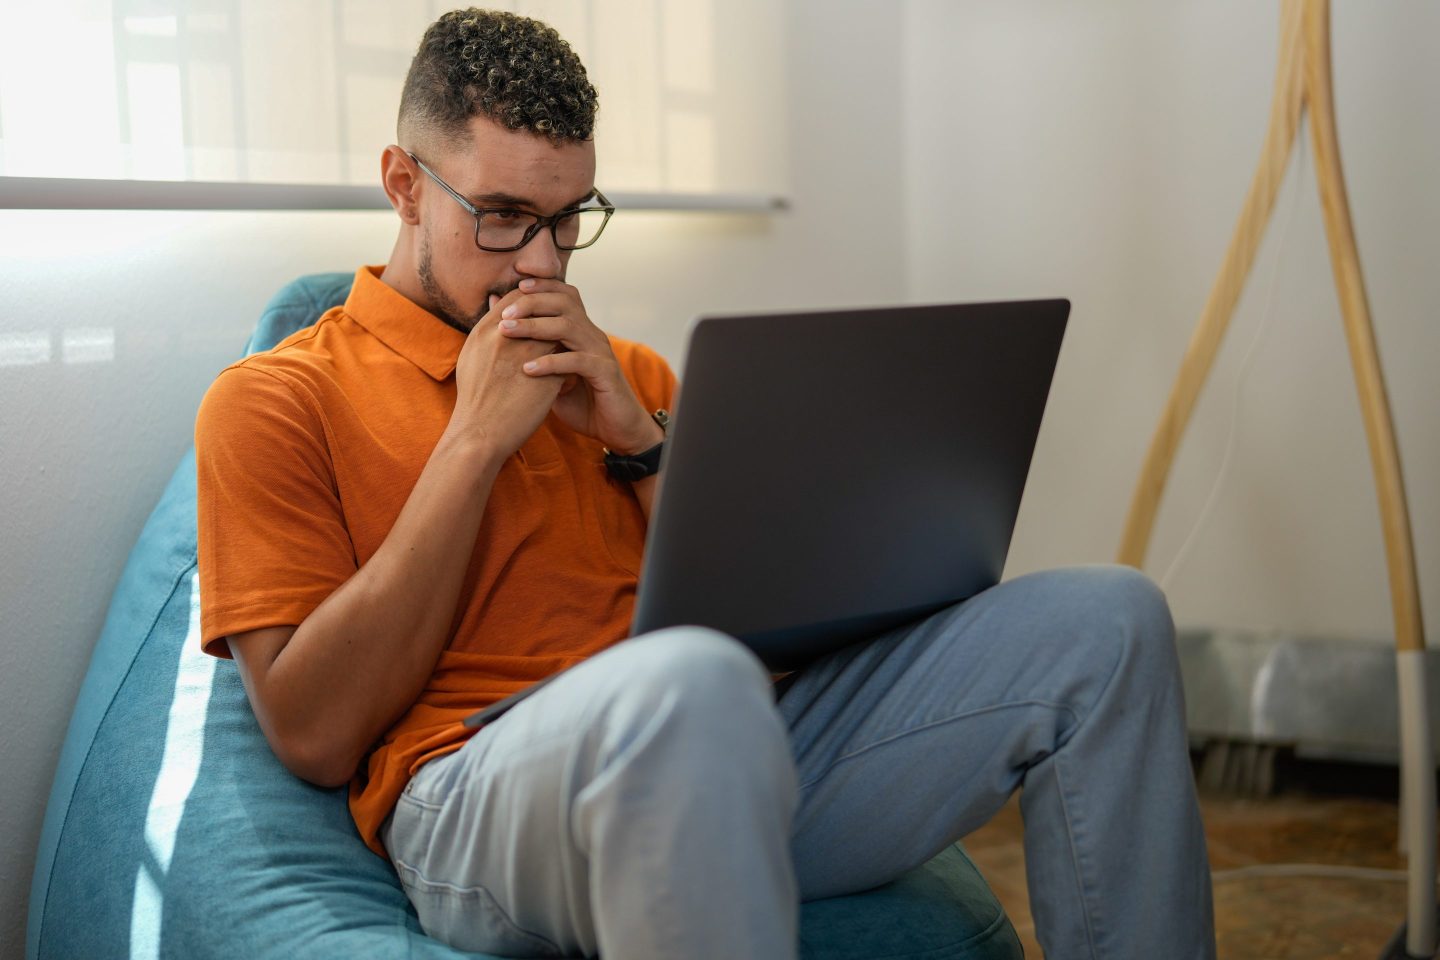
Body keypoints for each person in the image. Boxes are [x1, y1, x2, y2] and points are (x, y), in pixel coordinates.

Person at [194, 8, 1216, 959]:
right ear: (404, 184)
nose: (540, 264)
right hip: (476, 790)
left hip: (735, 750)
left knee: (1109, 619)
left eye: (568, 218)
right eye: (502, 215)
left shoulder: (629, 377)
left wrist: (642, 443)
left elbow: (769, 640)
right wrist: (472, 446)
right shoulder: (279, 399)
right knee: (690, 682)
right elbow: (314, 734)